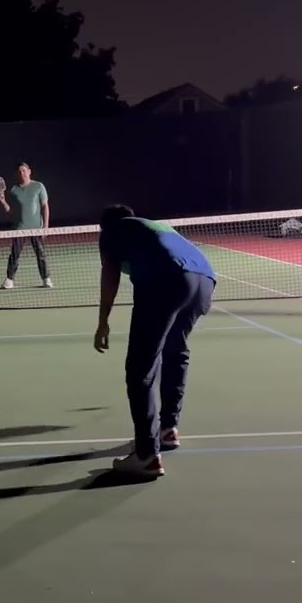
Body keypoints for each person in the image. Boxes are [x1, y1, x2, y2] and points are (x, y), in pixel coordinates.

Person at [94, 204, 216, 478]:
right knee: (176, 351)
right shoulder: (152, 226)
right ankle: (168, 429)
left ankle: (147, 454)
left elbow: (110, 272)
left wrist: (103, 320)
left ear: (104, 226)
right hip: (205, 281)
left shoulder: (113, 231)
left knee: (140, 368)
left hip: (166, 279)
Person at [0, 161, 54, 289]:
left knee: (41, 254)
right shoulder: (13, 190)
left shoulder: (39, 186)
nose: (22, 173)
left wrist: (46, 227)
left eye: (24, 170)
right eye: (19, 171)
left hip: (36, 228)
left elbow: (45, 206)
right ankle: (9, 280)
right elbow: (11, 212)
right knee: (15, 255)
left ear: (29, 171)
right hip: (19, 229)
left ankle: (46, 279)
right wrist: (3, 203)